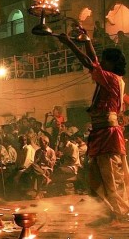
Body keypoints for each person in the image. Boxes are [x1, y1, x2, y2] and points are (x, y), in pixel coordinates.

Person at [57, 29, 129, 225]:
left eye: (105, 61)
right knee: (97, 176)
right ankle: (106, 212)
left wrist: (69, 44)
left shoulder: (112, 78)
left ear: (112, 64)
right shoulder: (109, 76)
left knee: (110, 176)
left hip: (108, 132)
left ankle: (121, 211)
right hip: (100, 132)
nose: (101, 64)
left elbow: (89, 63)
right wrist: (87, 41)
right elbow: (94, 62)